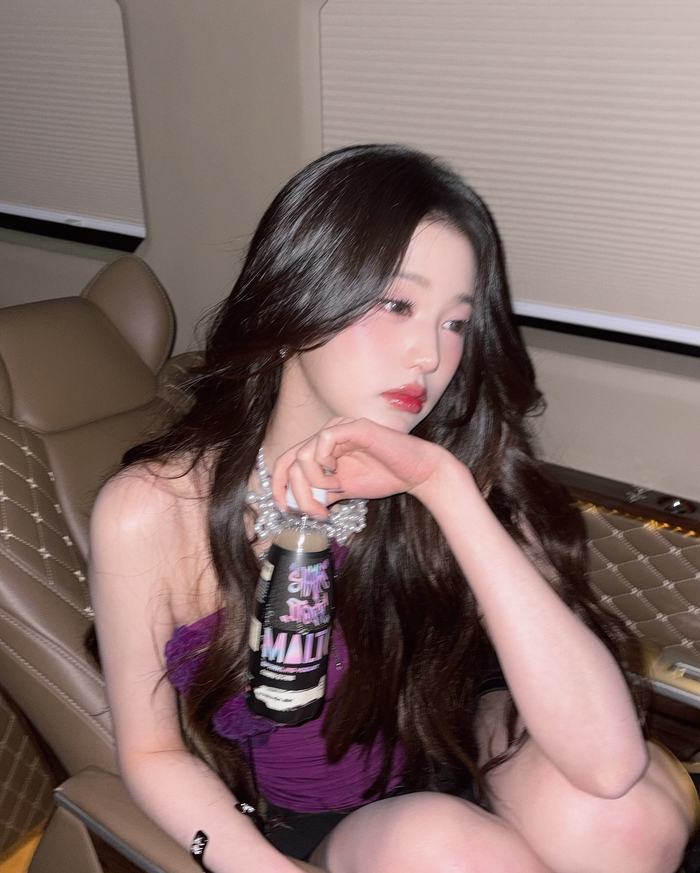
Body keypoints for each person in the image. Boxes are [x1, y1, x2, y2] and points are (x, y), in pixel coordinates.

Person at [90, 144, 697, 873]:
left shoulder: (459, 461)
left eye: (455, 323)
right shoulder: (154, 510)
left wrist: (443, 487)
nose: (429, 357)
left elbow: (607, 763)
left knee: (627, 821)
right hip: (318, 822)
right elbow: (151, 753)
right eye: (398, 305)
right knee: (445, 848)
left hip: (463, 745)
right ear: (302, 295)